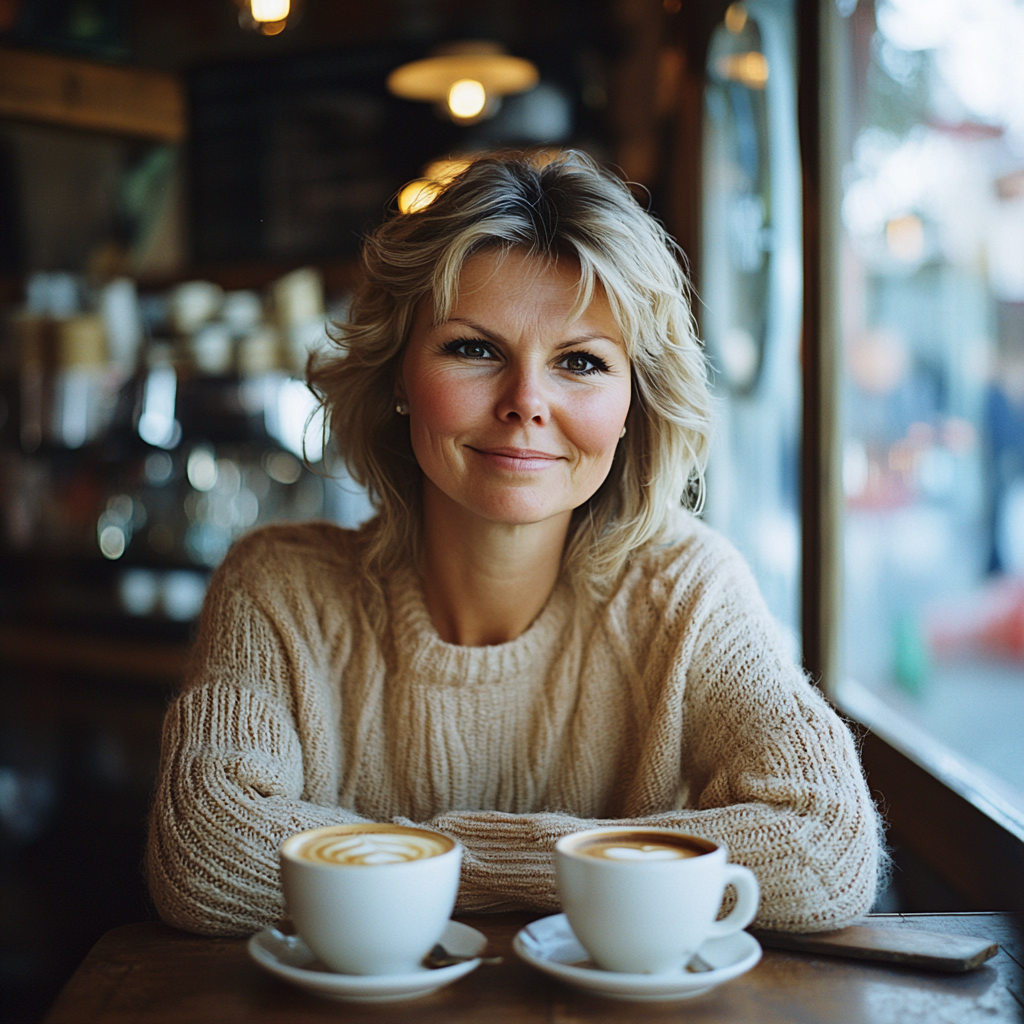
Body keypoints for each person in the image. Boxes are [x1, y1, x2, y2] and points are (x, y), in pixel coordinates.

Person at [147, 151, 882, 937]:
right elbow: (206, 854)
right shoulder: (278, 586)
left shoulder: (689, 588)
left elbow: (826, 849)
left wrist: (423, 866)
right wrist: (614, 872)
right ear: (399, 375)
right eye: (474, 348)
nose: (526, 402)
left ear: (634, 402)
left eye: (580, 362)